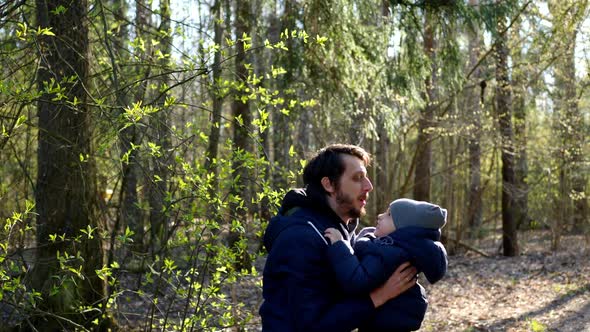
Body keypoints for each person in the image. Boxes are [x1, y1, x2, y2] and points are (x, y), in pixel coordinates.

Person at [259, 144, 418, 331]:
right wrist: (379, 297)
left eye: (366, 177)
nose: (369, 186)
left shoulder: (340, 230)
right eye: (358, 178)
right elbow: (310, 326)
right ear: (329, 185)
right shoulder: (301, 238)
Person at [324, 198, 448, 331]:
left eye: (389, 214)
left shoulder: (389, 254)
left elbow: (357, 281)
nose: (380, 216)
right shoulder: (394, 250)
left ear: (402, 229)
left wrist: (339, 246)